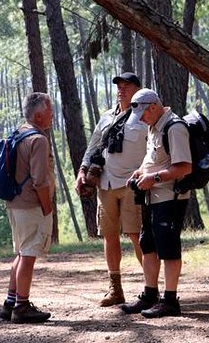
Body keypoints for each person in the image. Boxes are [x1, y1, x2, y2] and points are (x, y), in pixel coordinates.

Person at [75, 72, 147, 307]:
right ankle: (115, 289)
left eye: (127, 86)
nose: (121, 90)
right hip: (105, 184)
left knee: (137, 236)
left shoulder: (144, 116)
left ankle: (151, 289)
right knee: (109, 236)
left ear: (137, 89)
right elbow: (93, 145)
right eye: (119, 86)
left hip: (131, 184)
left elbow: (155, 147)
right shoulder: (106, 117)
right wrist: (82, 170)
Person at [120, 89, 192, 318]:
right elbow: (152, 160)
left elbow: (184, 167)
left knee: (168, 248)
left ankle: (170, 300)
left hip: (170, 198)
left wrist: (155, 178)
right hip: (151, 197)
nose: (141, 120)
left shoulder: (175, 127)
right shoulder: (153, 127)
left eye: (143, 114)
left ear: (153, 106)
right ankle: (150, 295)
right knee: (147, 244)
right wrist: (140, 173)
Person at [0, 92, 55, 324]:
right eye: (50, 110)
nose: (52, 115)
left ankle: (10, 302)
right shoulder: (38, 140)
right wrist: (47, 207)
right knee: (29, 255)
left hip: (15, 204)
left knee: (22, 253)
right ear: (39, 114)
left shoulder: (19, 134)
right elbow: (39, 180)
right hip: (31, 205)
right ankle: (22, 306)